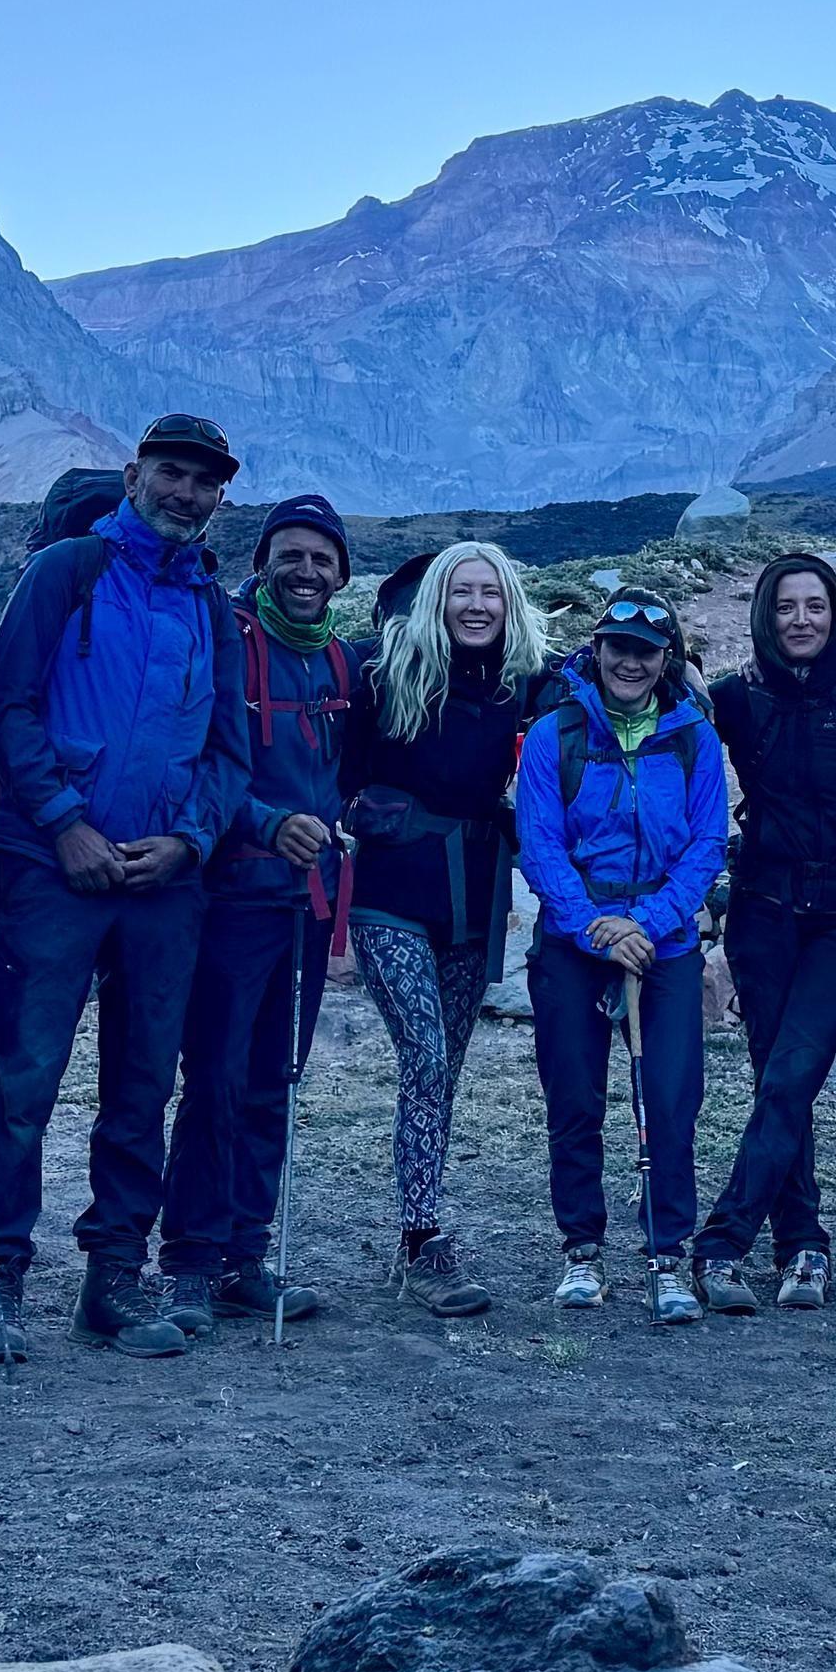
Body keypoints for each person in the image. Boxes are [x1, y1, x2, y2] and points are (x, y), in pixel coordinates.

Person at [0, 413, 252, 1360]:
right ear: (135, 476)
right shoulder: (68, 573)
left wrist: (190, 841)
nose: (186, 493)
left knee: (142, 1082)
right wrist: (64, 825)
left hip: (163, 880)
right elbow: (8, 709)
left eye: (204, 483)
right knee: (23, 1072)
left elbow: (227, 753)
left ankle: (114, 1279)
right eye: (171, 473)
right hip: (52, 868)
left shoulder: (213, 605)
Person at [685, 551, 836, 1310]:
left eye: (815, 606)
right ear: (765, 615)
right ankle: (805, 1247)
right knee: (776, 1079)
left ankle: (721, 1245)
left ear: (835, 611)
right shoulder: (736, 699)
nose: (801, 621)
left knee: (794, 1071)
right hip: (763, 911)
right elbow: (656, 718)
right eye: (785, 607)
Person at [160, 491, 358, 1335]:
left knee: (273, 1077)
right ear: (261, 560)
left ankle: (246, 1251)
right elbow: (206, 764)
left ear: (341, 573)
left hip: (302, 908)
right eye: (292, 554)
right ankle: (190, 1263)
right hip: (232, 897)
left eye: (322, 558)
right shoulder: (229, 643)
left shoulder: (342, 664)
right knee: (214, 1079)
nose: (305, 571)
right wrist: (271, 826)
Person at [341, 542, 551, 1317]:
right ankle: (424, 1239)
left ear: (510, 603)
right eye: (461, 591)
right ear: (435, 597)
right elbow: (332, 765)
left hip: (472, 899)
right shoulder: (381, 668)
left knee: (444, 1073)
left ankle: (416, 1235)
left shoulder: (523, 682)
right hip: (389, 893)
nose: (475, 605)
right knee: (427, 1058)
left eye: (490, 593)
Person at [514, 591, 726, 1321]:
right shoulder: (553, 736)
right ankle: (582, 1250)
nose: (630, 661)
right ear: (597, 650)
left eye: (646, 649)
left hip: (663, 939)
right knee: (574, 1097)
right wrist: (596, 927)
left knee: (669, 1098)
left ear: (667, 659)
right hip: (577, 938)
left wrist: (647, 921)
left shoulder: (694, 736)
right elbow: (538, 844)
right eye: (618, 646)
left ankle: (670, 1253)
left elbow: (707, 845)